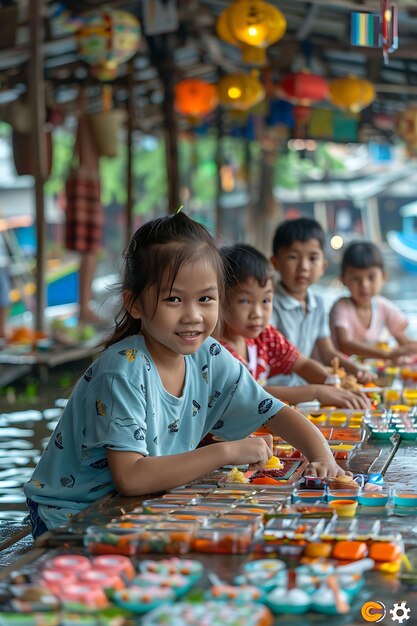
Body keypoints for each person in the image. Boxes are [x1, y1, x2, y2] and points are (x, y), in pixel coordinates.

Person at [24, 212, 346, 537]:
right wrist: (227, 451)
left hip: (141, 507)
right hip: (70, 518)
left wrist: (322, 457)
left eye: (206, 299)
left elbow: (274, 412)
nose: (192, 315)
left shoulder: (209, 355)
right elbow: (132, 477)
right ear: (135, 304)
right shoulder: (122, 370)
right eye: (174, 299)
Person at [219, 244, 369, 409]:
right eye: (244, 301)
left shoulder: (265, 335)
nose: (258, 313)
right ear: (220, 299)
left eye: (266, 301)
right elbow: (250, 394)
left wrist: (330, 382)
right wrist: (316, 392)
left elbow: (301, 364)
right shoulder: (217, 351)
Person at [268, 217, 374, 387]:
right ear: (275, 263)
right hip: (276, 390)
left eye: (312, 258)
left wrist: (356, 369)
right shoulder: (268, 305)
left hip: (305, 385)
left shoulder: (317, 304)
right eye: (293, 257)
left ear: (323, 266)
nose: (303, 266)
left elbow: (328, 353)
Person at [330, 240, 417, 361]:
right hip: (342, 371)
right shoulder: (341, 307)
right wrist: (386, 354)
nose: (364, 285)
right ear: (343, 279)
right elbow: (345, 345)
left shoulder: (383, 306)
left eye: (371, 277)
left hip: (368, 371)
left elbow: (403, 341)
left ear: (384, 277)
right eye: (356, 278)